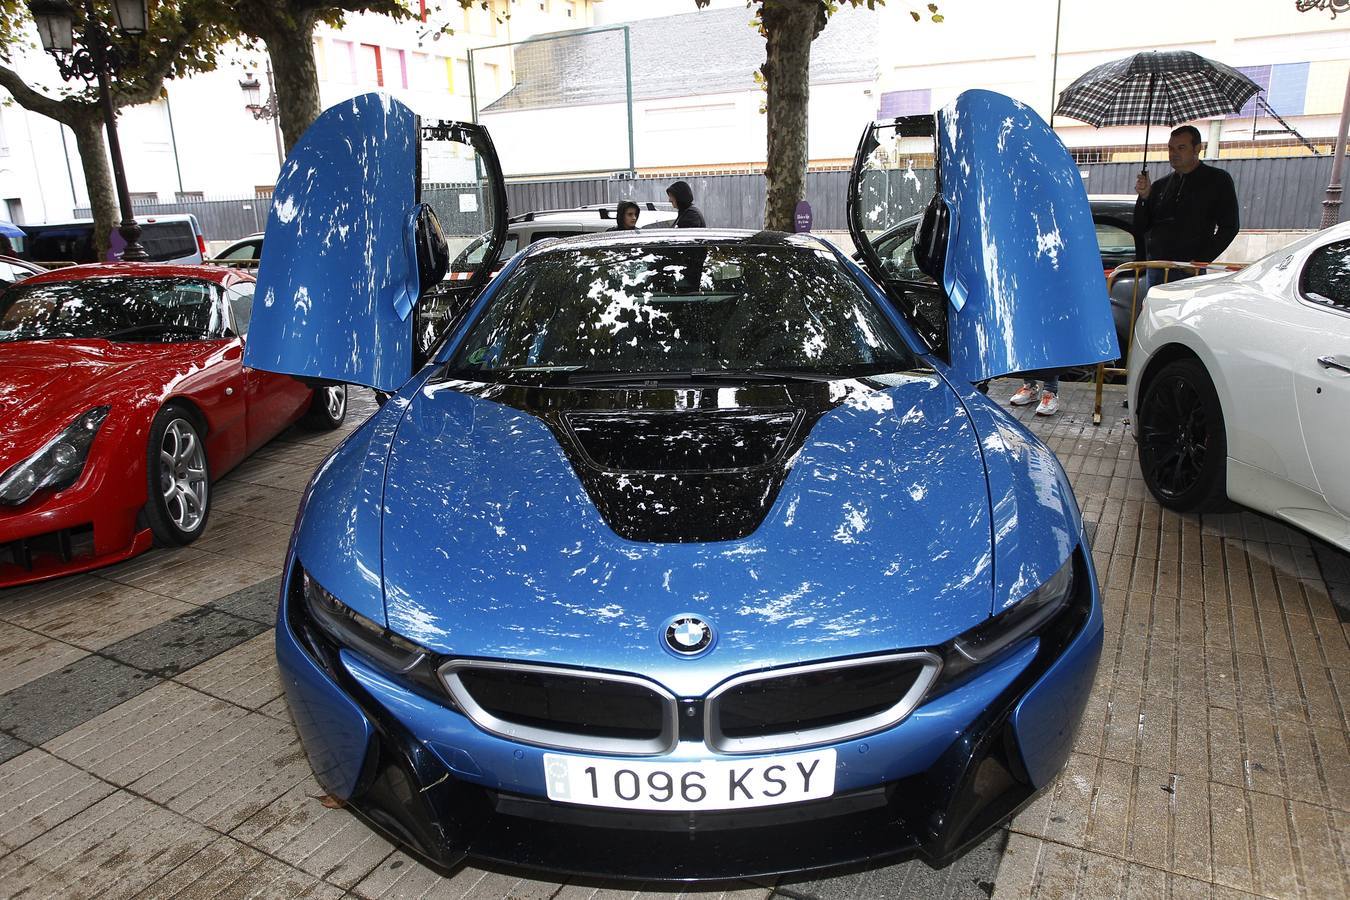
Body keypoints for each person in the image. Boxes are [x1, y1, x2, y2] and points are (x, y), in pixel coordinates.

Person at [1134, 125, 1239, 287]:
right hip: (1156, 268)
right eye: (1170, 148)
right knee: (1154, 313)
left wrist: (1201, 261)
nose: (1174, 154)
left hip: (1189, 270)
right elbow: (1142, 226)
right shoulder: (1160, 185)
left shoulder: (1217, 181)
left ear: (1198, 148)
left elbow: (1230, 226)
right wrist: (1145, 197)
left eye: (1181, 148)